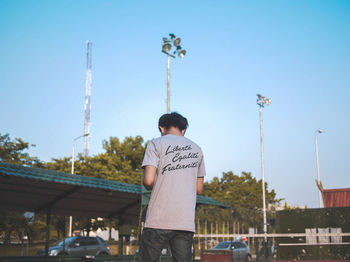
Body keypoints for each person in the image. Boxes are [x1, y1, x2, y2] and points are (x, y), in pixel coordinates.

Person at [139, 112, 206, 262]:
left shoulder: (155, 143)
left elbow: (148, 180)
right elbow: (199, 189)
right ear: (183, 130)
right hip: (185, 221)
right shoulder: (197, 149)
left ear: (162, 128)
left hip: (158, 219)